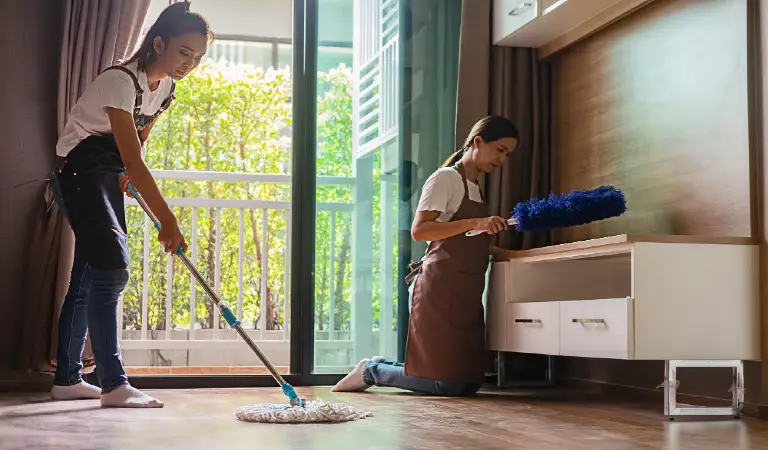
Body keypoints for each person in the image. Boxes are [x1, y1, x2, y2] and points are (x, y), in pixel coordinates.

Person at [48, 2, 212, 408]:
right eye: (183, 52)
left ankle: (67, 379)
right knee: (112, 270)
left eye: (198, 57)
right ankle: (114, 384)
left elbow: (139, 144)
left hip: (107, 172)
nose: (189, 64)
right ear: (159, 43)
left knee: (88, 278)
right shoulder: (120, 80)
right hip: (78, 171)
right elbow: (135, 157)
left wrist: (124, 173)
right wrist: (167, 219)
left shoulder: (166, 89)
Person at [332, 115, 519, 396]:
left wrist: (499, 250)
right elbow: (420, 231)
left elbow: (465, 240)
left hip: (465, 292)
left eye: (508, 154)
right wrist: (475, 223)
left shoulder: (475, 188)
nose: (502, 159)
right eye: (500, 150)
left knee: (469, 382)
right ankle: (371, 371)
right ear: (478, 142)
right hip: (439, 290)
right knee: (447, 384)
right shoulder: (445, 179)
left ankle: (380, 366)